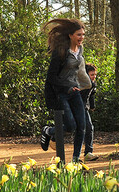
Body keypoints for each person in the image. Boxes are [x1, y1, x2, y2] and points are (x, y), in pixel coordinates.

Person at [40, 18, 91, 163]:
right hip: (61, 93)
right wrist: (67, 86)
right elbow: (51, 77)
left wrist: (84, 85)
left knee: (82, 126)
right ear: (70, 35)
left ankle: (76, 159)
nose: (81, 38)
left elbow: (77, 72)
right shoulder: (60, 52)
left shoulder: (80, 50)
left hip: (74, 92)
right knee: (71, 126)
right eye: (78, 35)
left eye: (83, 35)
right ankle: (49, 131)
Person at [80, 64, 98, 161]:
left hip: (84, 108)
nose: (94, 77)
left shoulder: (92, 84)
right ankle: (53, 135)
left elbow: (91, 96)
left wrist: (92, 106)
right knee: (71, 127)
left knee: (89, 128)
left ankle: (88, 152)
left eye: (95, 74)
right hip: (77, 107)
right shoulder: (82, 83)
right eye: (92, 75)